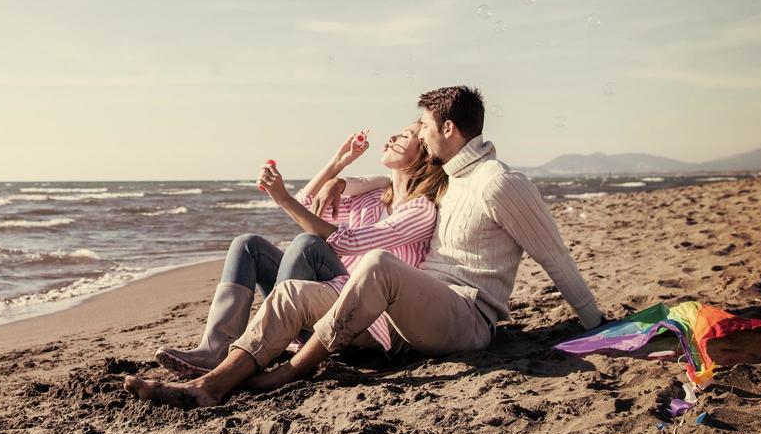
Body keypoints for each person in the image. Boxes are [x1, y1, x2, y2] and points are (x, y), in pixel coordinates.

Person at [125, 85, 605, 408]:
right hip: (408, 309)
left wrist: (602, 328)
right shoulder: (449, 181)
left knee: (374, 263)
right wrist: (345, 173)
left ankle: (291, 369)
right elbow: (395, 183)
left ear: (448, 130)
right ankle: (211, 384)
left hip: (468, 317)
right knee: (291, 293)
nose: (417, 131)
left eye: (422, 126)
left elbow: (554, 256)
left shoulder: (500, 183)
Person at [152, 124, 448, 378]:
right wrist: (338, 163)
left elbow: (346, 242)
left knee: (307, 244)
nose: (391, 139)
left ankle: (271, 342)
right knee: (248, 244)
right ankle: (215, 349)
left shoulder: (420, 209)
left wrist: (282, 198)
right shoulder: (371, 198)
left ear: (423, 154)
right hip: (325, 298)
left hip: (362, 314)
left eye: (405, 136)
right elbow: (308, 207)